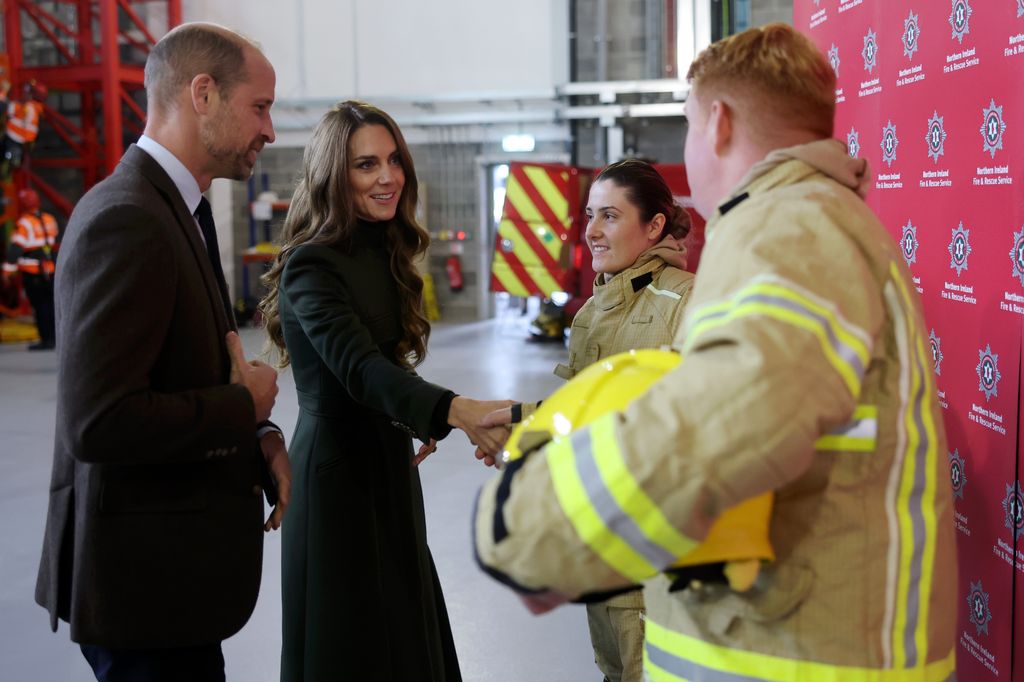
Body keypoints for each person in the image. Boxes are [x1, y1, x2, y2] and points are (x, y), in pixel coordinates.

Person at [474, 23, 956, 681]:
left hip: (797, 655)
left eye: (688, 126)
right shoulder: (807, 218)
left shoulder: (788, 224)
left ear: (719, 124)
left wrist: (537, 522)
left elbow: (739, 406)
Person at [35, 23, 291, 682]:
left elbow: (180, 371)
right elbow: (100, 421)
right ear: (202, 94)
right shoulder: (129, 219)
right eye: (259, 107)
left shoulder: (179, 210)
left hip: (169, 591)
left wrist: (258, 435)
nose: (269, 129)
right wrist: (242, 406)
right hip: (143, 594)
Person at [259, 100, 510, 682]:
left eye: (393, 160)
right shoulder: (311, 268)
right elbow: (359, 368)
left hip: (387, 471)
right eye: (366, 165)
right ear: (333, 175)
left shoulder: (384, 249)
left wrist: (419, 416)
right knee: (352, 647)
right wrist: (452, 409)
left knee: (402, 632)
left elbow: (385, 367)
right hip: (335, 481)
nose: (387, 176)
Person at [492, 158, 693, 682]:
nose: (594, 231)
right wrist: (519, 426)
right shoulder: (597, 307)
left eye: (610, 215)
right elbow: (584, 413)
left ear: (654, 226)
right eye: (590, 216)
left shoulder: (687, 302)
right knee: (615, 664)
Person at [2, 188, 60, 350]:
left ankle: (46, 340)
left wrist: (7, 272)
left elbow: (15, 250)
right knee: (51, 305)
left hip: (33, 272)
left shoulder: (24, 223)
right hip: (50, 269)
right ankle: (55, 338)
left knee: (40, 306)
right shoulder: (50, 219)